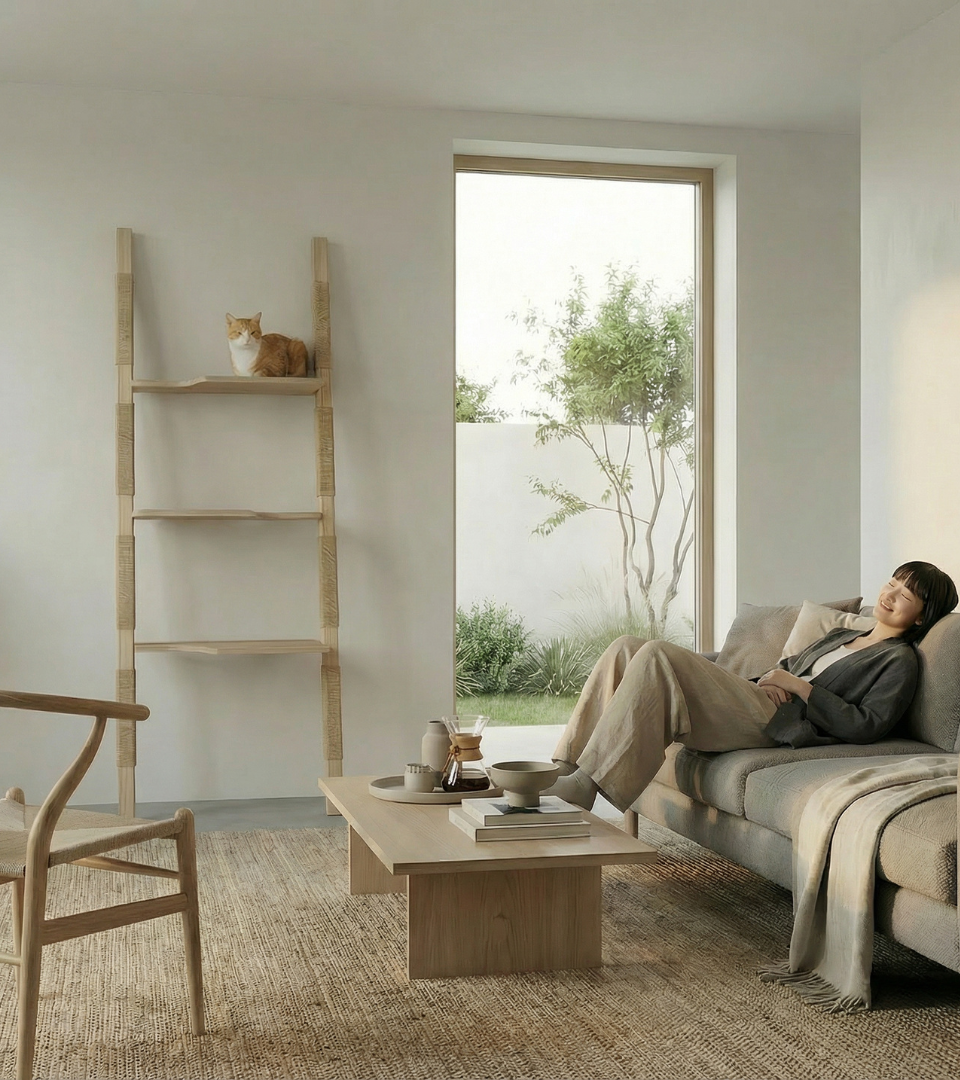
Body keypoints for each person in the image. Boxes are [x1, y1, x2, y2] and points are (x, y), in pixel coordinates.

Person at [546, 561, 958, 812]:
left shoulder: (898, 660)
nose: (892, 594)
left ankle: (587, 785)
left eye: (908, 595)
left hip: (785, 723)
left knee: (655, 653)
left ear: (922, 617)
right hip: (762, 699)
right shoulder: (846, 635)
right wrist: (769, 680)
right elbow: (786, 667)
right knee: (625, 647)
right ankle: (563, 767)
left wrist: (799, 688)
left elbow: (868, 724)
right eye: (893, 583)